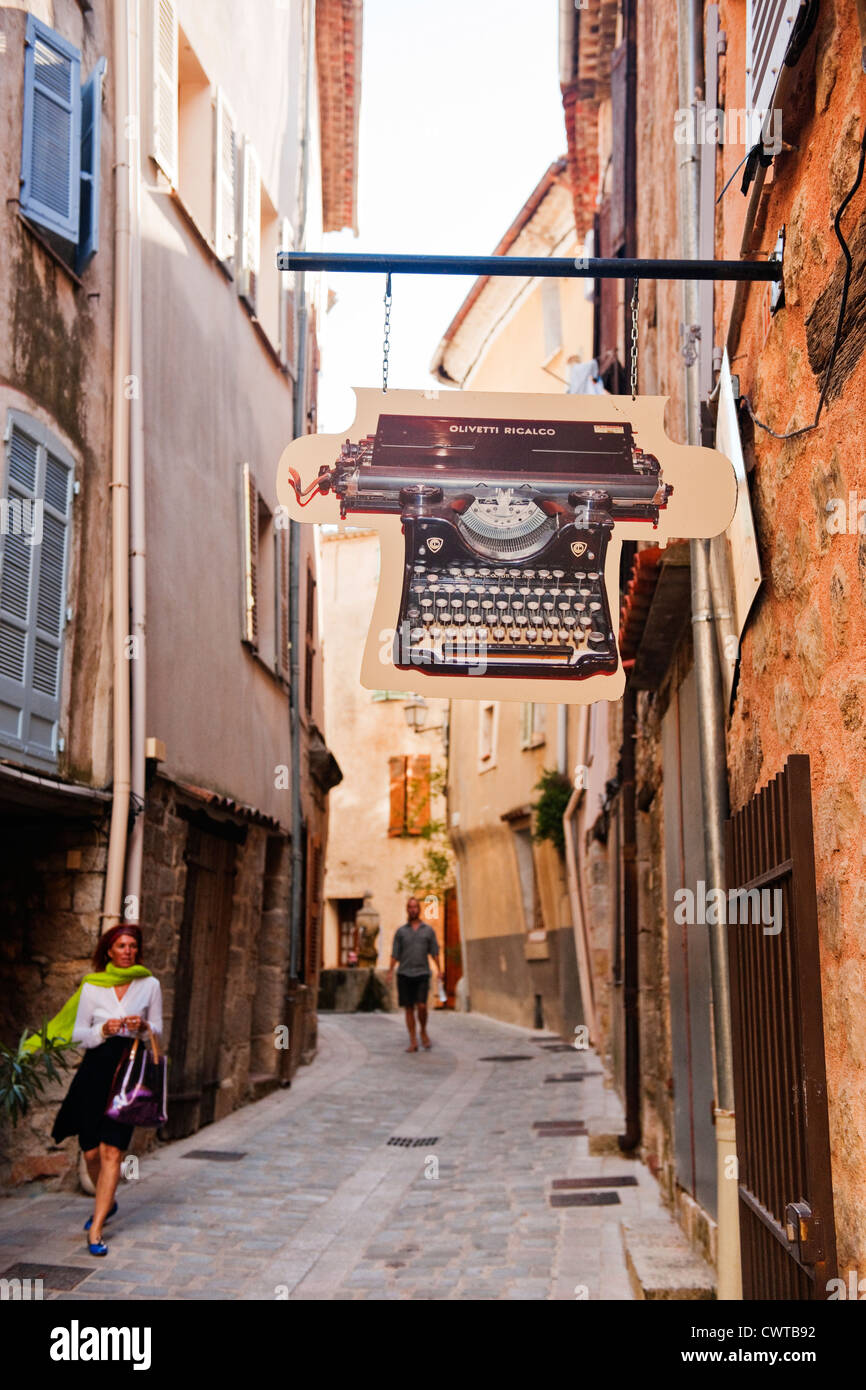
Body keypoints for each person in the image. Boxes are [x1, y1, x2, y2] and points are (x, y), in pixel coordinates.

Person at [29, 925, 162, 1256]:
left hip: (127, 1073)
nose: (128, 951)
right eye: (121, 946)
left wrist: (143, 1028)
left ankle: (97, 1229)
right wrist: (102, 1029)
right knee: (90, 1152)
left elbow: (158, 1027)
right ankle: (109, 1201)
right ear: (109, 951)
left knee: (112, 1152)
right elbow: (78, 1033)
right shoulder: (92, 986)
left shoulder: (150, 984)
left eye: (133, 946)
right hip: (95, 1069)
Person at [385, 897, 441, 1052]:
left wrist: (440, 970)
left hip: (422, 973)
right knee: (409, 1008)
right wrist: (390, 972)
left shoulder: (428, 931)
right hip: (404, 974)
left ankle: (423, 1030)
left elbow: (435, 952)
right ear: (407, 910)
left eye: (415, 907)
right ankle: (413, 1040)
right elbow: (395, 954)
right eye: (410, 907)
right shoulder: (401, 932)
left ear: (419, 909)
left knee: (422, 1006)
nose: (413, 909)